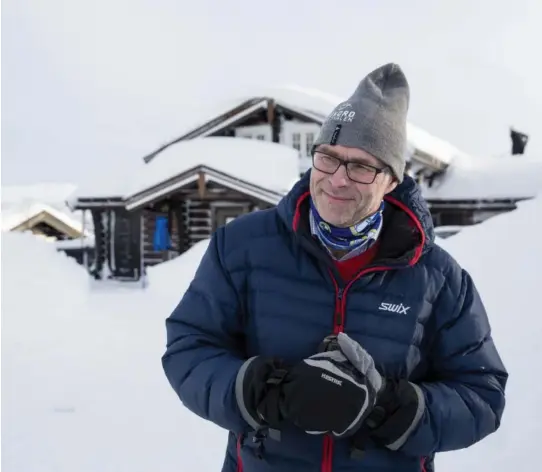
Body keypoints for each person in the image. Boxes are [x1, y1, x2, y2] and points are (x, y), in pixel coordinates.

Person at [161, 63, 508, 472]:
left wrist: (386, 406)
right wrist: (263, 390)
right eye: (327, 158)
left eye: (361, 166)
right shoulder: (242, 247)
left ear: (392, 180)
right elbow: (190, 346)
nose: (337, 180)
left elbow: (482, 394)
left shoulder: (438, 278)